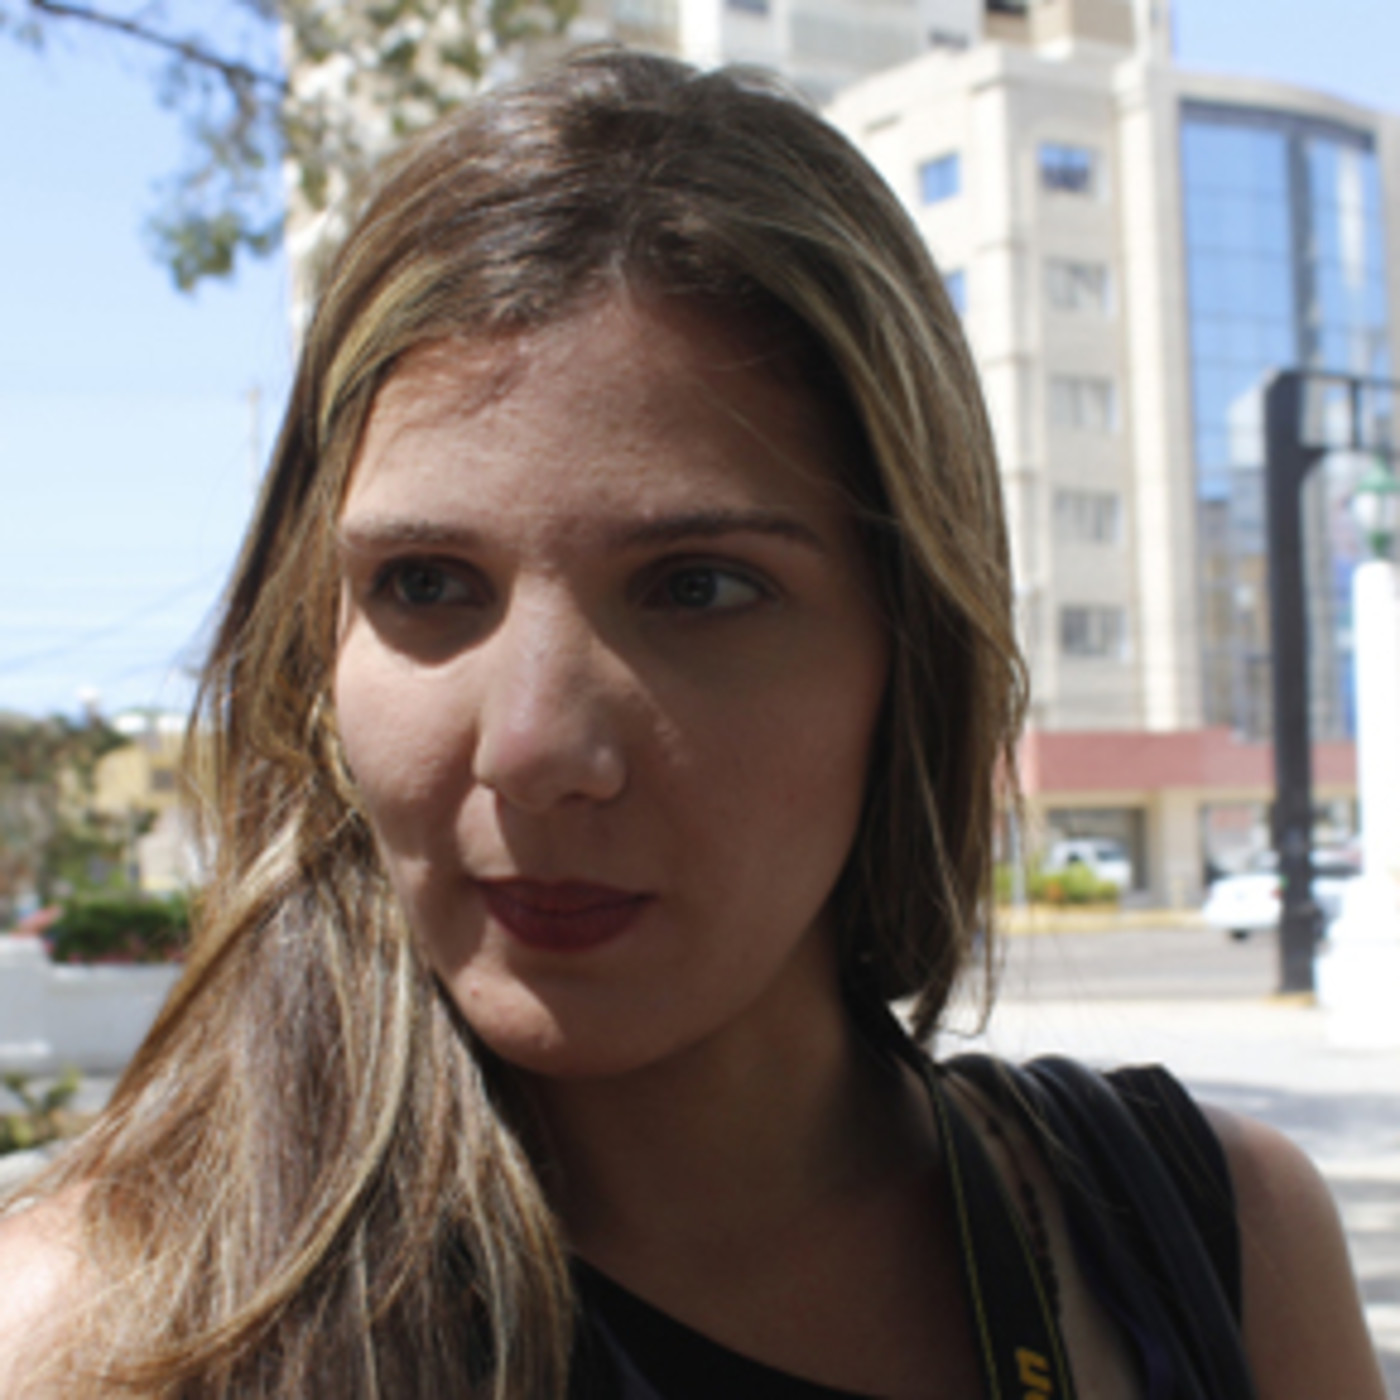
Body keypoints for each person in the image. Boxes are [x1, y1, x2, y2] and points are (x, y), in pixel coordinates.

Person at [0, 47, 1385, 1400]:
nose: (535, 749)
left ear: (915, 647)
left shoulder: (1214, 1244)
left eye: (699, 587)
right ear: (318, 645)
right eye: (425, 584)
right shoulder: (104, 1334)